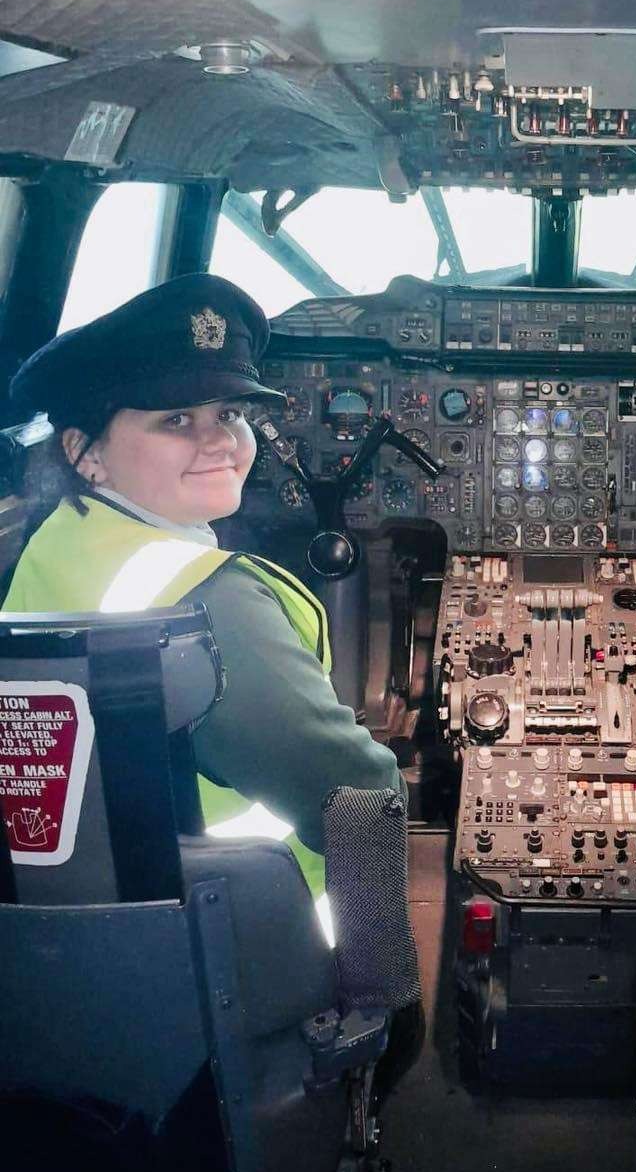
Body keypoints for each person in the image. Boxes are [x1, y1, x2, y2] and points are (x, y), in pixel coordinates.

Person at [2, 273, 405, 901]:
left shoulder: (53, 542)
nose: (219, 441)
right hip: (239, 935)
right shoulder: (211, 601)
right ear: (85, 453)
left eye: (230, 414)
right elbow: (361, 801)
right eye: (176, 419)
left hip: (55, 920)